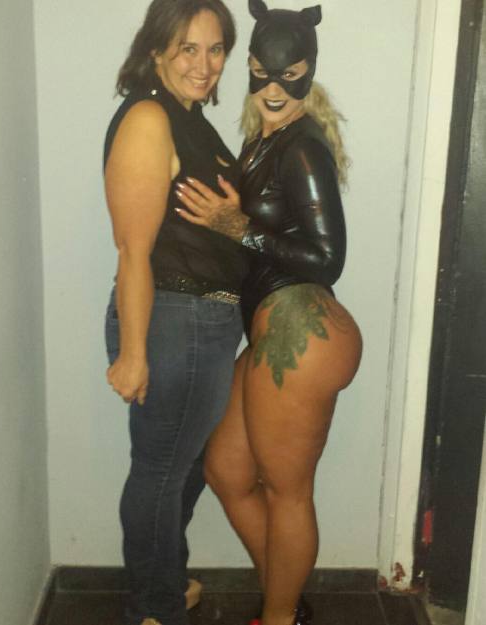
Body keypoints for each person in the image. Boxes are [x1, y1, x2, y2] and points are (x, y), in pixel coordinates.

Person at [175, 1, 362, 624]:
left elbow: (327, 257)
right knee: (227, 470)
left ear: (309, 72)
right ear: (250, 67)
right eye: (262, 72)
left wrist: (237, 227)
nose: (275, 88)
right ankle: (287, 596)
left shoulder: (301, 147)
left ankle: (279, 617)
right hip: (273, 333)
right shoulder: (268, 140)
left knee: (288, 493)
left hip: (301, 331)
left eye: (291, 75)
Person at [103, 2, 248, 624]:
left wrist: (237, 223)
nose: (205, 64)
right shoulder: (149, 118)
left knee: (180, 468)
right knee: (161, 471)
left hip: (199, 323)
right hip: (170, 320)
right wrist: (134, 353)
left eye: (216, 49)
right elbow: (133, 249)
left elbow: (220, 226)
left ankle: (161, 583)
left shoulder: (190, 119)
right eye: (189, 47)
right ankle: (155, 609)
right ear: (157, 48)